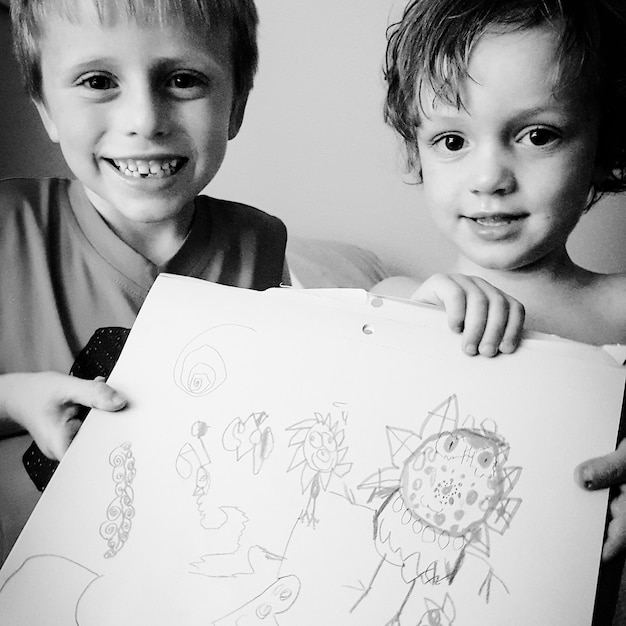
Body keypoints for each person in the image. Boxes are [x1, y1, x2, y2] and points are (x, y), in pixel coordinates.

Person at [0, 0, 524, 564]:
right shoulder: (9, 226)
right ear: (45, 107)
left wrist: (410, 313)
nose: (145, 119)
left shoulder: (258, 240)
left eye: (183, 80)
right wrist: (12, 396)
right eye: (98, 81)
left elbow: (313, 376)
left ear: (236, 107)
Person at [373, 0, 626, 592]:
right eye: (452, 140)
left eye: (538, 135)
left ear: (604, 143)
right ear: (417, 152)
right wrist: (415, 318)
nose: (489, 177)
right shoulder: (398, 302)